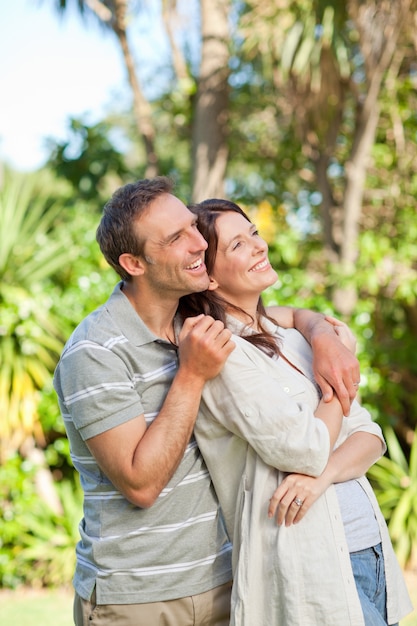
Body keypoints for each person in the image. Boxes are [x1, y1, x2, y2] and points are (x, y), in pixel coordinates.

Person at [53, 177, 364, 626]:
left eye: (192, 228)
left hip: (226, 580)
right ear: (133, 262)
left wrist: (322, 336)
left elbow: (283, 315)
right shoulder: (96, 351)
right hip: (138, 597)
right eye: (176, 237)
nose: (199, 242)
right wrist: (191, 374)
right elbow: (140, 485)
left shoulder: (193, 321)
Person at [179, 198, 413, 626]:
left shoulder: (294, 340)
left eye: (253, 233)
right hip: (310, 565)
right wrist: (336, 373)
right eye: (237, 245)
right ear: (208, 277)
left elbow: (370, 436)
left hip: (371, 550)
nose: (259, 246)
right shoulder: (222, 355)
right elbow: (304, 449)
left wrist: (320, 477)